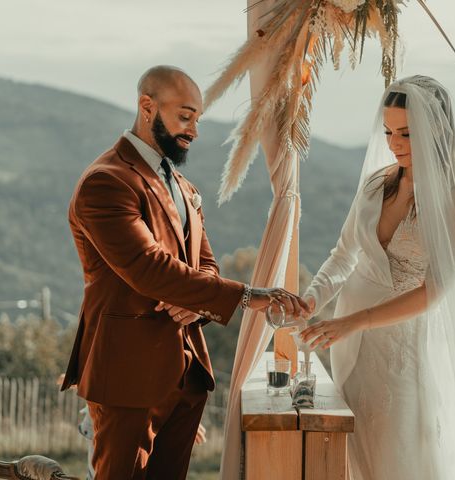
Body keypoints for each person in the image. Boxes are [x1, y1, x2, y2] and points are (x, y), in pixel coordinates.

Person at [61, 65, 309, 480]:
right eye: (185, 116)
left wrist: (196, 307)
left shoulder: (184, 186)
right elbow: (146, 268)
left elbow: (206, 266)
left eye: (197, 119)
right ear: (147, 107)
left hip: (186, 375)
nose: (194, 130)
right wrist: (249, 295)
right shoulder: (106, 182)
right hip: (126, 378)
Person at [300, 75, 455, 479]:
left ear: (437, 130)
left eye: (407, 133)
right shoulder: (377, 183)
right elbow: (343, 256)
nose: (394, 144)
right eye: (389, 132)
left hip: (402, 350)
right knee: (353, 451)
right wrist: (310, 299)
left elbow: (434, 292)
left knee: (400, 453)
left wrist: (352, 321)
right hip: (348, 343)